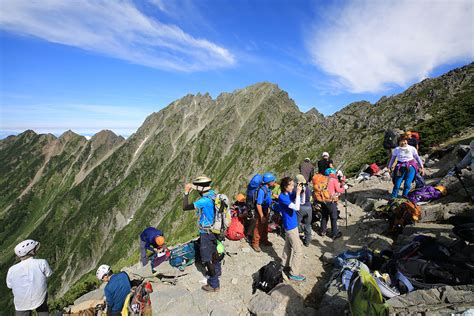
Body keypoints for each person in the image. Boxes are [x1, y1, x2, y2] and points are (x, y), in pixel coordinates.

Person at [182, 176, 222, 292]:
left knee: (207, 259)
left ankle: (214, 284)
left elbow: (185, 207)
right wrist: (194, 187)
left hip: (206, 232)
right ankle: (217, 271)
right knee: (214, 252)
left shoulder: (203, 201)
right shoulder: (213, 194)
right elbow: (203, 190)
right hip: (215, 230)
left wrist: (186, 193)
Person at [6, 239, 52, 316]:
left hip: (21, 303)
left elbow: (9, 285)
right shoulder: (42, 262)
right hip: (39, 297)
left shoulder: (12, 269)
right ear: (32, 251)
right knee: (42, 306)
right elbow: (49, 274)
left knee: (21, 308)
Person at [278, 176, 305, 281]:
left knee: (288, 247)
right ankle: (294, 273)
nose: (293, 187)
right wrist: (298, 193)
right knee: (298, 251)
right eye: (291, 185)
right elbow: (297, 207)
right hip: (290, 227)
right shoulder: (282, 197)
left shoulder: (288, 194)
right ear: (285, 186)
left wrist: (301, 189)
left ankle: (284, 265)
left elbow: (301, 201)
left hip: (291, 225)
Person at [252, 172, 277, 252]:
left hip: (266, 209)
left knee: (265, 226)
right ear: (269, 182)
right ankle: (255, 243)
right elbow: (258, 204)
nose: (274, 182)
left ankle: (264, 240)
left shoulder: (268, 188)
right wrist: (262, 216)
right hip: (261, 210)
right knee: (258, 227)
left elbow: (269, 196)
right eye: (273, 180)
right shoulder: (262, 191)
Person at [319, 168, 346, 240]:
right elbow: (339, 190)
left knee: (324, 216)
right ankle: (334, 234)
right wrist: (343, 187)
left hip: (322, 200)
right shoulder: (333, 180)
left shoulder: (322, 179)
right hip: (331, 201)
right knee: (333, 217)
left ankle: (322, 231)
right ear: (333, 173)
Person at [294, 174, 312, 246]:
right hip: (309, 208)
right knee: (308, 225)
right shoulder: (308, 188)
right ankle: (307, 242)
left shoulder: (297, 188)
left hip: (301, 208)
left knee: (297, 223)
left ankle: (295, 239)